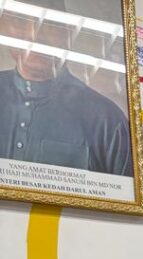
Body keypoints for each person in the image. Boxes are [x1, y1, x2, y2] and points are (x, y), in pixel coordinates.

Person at [0, 0, 132, 176]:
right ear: (3, 29)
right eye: (21, 21)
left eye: (49, 23)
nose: (35, 35)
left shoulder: (106, 121)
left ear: (68, 33)